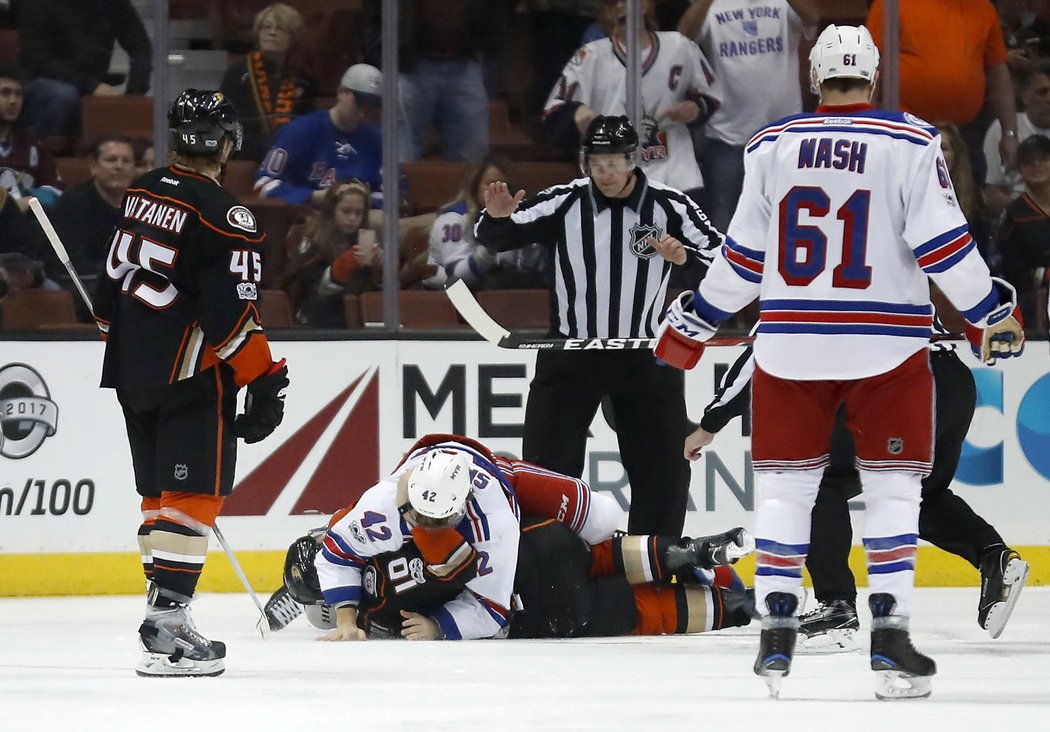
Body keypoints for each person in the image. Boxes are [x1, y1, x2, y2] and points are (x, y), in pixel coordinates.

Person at [656, 25, 1025, 700]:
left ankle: (775, 629)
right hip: (886, 345)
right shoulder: (911, 141)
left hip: (791, 345)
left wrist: (694, 322)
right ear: (875, 78)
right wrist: (991, 315)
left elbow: (742, 263)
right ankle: (889, 641)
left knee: (787, 488)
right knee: (892, 490)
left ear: (813, 77)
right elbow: (944, 247)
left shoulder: (771, 144)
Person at [93, 89, 291, 678]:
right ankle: (170, 625)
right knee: (193, 497)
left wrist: (130, 346)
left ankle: (164, 612)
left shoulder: (141, 191)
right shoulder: (227, 214)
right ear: (228, 142)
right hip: (191, 374)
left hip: (132, 371)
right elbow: (231, 318)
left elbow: (109, 297)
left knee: (159, 497)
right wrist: (265, 379)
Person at [684, 321, 1030, 650]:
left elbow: (761, 352)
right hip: (950, 376)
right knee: (922, 494)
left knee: (818, 482)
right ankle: (992, 557)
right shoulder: (895, 256)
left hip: (896, 383)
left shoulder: (803, 269)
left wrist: (711, 422)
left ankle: (836, 607)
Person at [475, 115, 722, 536]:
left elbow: (722, 258)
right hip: (571, 355)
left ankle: (654, 567)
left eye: (615, 163)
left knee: (664, 470)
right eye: (597, 163)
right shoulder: (564, 201)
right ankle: (549, 563)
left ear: (632, 160)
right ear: (585, 162)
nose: (606, 173)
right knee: (545, 471)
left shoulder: (670, 205)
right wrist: (496, 218)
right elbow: (499, 235)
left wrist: (684, 261)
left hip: (644, 355)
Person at [267, 433, 755, 640]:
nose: (425, 528)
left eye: (438, 521)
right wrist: (350, 618)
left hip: (506, 495)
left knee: (600, 527)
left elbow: (493, 610)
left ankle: (714, 583)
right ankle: (703, 566)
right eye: (420, 518)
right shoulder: (379, 513)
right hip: (521, 557)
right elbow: (334, 553)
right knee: (581, 562)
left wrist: (439, 628)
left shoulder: (490, 519)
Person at [542, 0, 722, 201]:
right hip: (613, 181)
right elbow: (553, 113)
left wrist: (696, 107)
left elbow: (710, 94)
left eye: (624, 1)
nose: (619, 7)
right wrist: (576, 112)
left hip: (676, 176)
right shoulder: (590, 56)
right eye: (611, 4)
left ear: (644, 6)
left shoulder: (679, 46)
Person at [676, 0, 820, 233]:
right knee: (723, 225)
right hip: (727, 136)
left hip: (783, 136)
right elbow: (683, 39)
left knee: (788, 220)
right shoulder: (712, 6)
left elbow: (812, 17)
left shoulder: (783, 3)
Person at [866, 0, 1018, 185]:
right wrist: (869, 129)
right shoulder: (891, 5)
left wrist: (1009, 133)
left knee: (967, 206)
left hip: (965, 135)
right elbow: (872, 66)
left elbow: (998, 73)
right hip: (905, 133)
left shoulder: (983, 8)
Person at [361, 0, 500, 162]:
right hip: (408, 66)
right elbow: (371, 13)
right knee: (398, 159)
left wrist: (487, 45)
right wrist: (381, 60)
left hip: (465, 63)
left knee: (474, 163)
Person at [254, 64, 387, 210]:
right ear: (341, 92)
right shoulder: (301, 130)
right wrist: (314, 196)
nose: (363, 113)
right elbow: (263, 184)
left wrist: (361, 200)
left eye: (370, 108)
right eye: (358, 104)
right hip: (308, 219)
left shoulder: (376, 140)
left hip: (360, 222)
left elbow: (397, 196)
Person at [17, 0, 151, 144]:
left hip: (91, 82)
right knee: (64, 95)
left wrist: (134, 93)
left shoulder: (113, 3)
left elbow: (140, 45)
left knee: (128, 107)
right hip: (41, 82)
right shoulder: (37, 3)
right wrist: (92, 85)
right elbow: (38, 61)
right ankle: (39, 154)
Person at [420, 156, 547, 291]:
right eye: (491, 184)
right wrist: (491, 243)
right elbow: (459, 279)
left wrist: (529, 247)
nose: (499, 190)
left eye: (505, 186)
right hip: (451, 300)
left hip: (503, 297)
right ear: (475, 187)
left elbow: (525, 277)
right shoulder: (453, 219)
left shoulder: (517, 218)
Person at [46, 134, 136, 320]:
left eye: (126, 161)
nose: (119, 166)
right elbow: (73, 262)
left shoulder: (143, 206)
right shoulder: (74, 203)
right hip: (80, 288)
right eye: (111, 160)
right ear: (94, 166)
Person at [219, 3, 316, 162]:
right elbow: (229, 126)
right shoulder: (237, 75)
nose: (272, 33)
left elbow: (308, 128)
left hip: (291, 160)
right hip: (246, 159)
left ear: (293, 37)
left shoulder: (303, 81)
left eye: (281, 29)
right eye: (266, 27)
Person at [279, 179, 382, 326]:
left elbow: (374, 289)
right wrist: (343, 266)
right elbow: (311, 286)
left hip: (358, 319)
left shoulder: (366, 241)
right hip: (316, 320)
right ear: (331, 210)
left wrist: (380, 269)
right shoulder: (311, 239)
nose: (352, 218)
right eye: (346, 211)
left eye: (358, 213)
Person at [984, 60, 1050, 215]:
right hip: (1019, 219)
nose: (1049, 98)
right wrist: (1035, 212)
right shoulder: (1002, 129)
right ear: (1025, 96)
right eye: (1042, 92)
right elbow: (991, 194)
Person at [999, 133, 1050, 323]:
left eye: (1043, 159)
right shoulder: (1015, 214)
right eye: (1028, 161)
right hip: (1033, 299)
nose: (1036, 165)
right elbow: (1012, 270)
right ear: (1020, 169)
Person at [0, 62, 63, 210]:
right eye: (5, 93)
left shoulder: (32, 144)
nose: (13, 101)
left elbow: (56, 190)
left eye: (18, 94)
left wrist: (29, 199)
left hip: (24, 226)